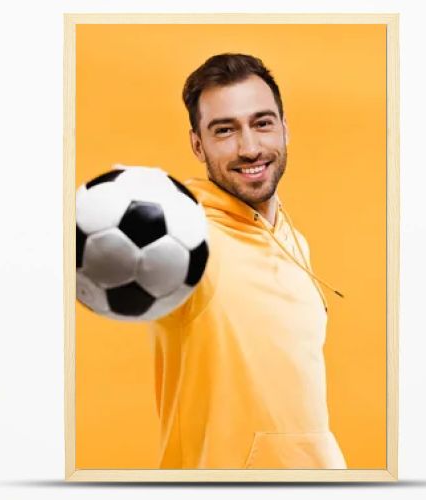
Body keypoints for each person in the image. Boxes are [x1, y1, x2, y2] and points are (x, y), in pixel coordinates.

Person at [148, 53, 346, 469]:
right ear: (197, 144)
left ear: (285, 128)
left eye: (262, 123)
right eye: (225, 130)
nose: (250, 147)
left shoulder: (294, 241)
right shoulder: (187, 241)